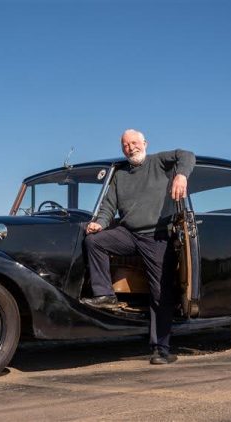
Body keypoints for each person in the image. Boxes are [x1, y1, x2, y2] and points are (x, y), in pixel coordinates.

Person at [82, 129, 195, 365]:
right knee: (95, 241)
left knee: (160, 292)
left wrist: (181, 175)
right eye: (125, 145)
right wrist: (100, 224)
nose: (130, 147)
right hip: (128, 233)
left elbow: (187, 154)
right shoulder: (120, 174)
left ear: (145, 143)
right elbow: (108, 205)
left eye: (134, 142)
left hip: (157, 235)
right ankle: (105, 295)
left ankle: (160, 348)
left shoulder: (159, 161)